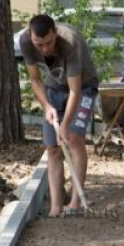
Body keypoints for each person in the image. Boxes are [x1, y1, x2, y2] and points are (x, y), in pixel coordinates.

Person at [20, 14, 99, 217]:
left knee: (73, 138)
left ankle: (75, 203)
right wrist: (47, 106)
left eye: (48, 43)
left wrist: (64, 125)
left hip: (84, 87)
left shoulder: (70, 42)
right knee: (53, 148)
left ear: (55, 33)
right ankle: (56, 206)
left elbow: (75, 90)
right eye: (40, 44)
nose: (44, 49)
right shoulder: (26, 42)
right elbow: (35, 80)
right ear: (31, 36)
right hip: (53, 89)